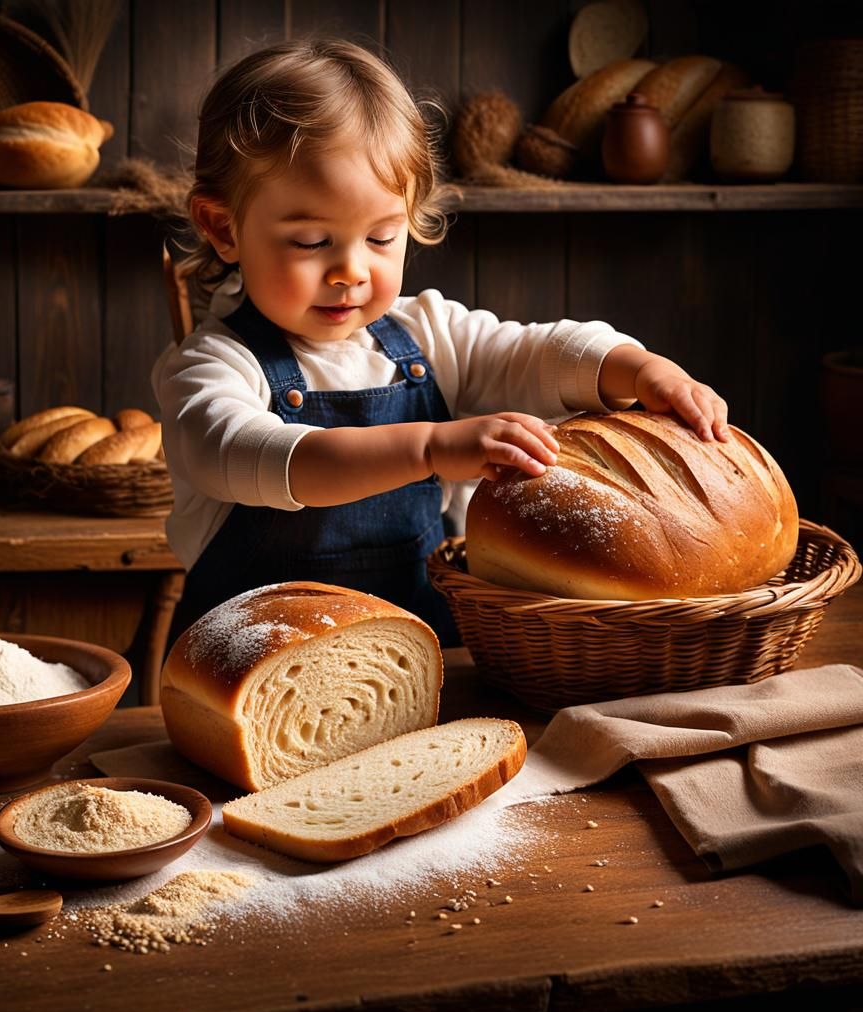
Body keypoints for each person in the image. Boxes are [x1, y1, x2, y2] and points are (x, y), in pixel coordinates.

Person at [152, 38, 729, 643]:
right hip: (254, 676)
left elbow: (534, 352)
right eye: (311, 242)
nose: (351, 270)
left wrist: (638, 369)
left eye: (380, 238)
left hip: (421, 658)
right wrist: (427, 448)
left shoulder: (425, 334)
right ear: (223, 227)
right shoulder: (210, 369)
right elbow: (263, 456)